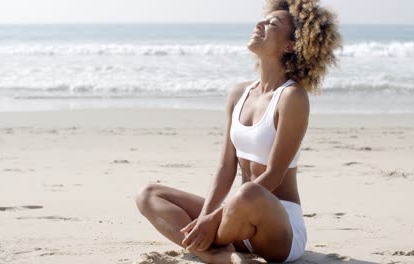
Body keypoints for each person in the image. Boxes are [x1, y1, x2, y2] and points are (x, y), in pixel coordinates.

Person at [136, 0, 342, 263]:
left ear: (290, 45)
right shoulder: (238, 93)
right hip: (233, 219)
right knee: (149, 194)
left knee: (247, 193)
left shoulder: (292, 97)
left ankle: (213, 249)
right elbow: (225, 167)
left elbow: (275, 176)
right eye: (264, 20)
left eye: (272, 24)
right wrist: (207, 216)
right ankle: (217, 256)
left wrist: (213, 219)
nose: (260, 24)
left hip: (278, 230)